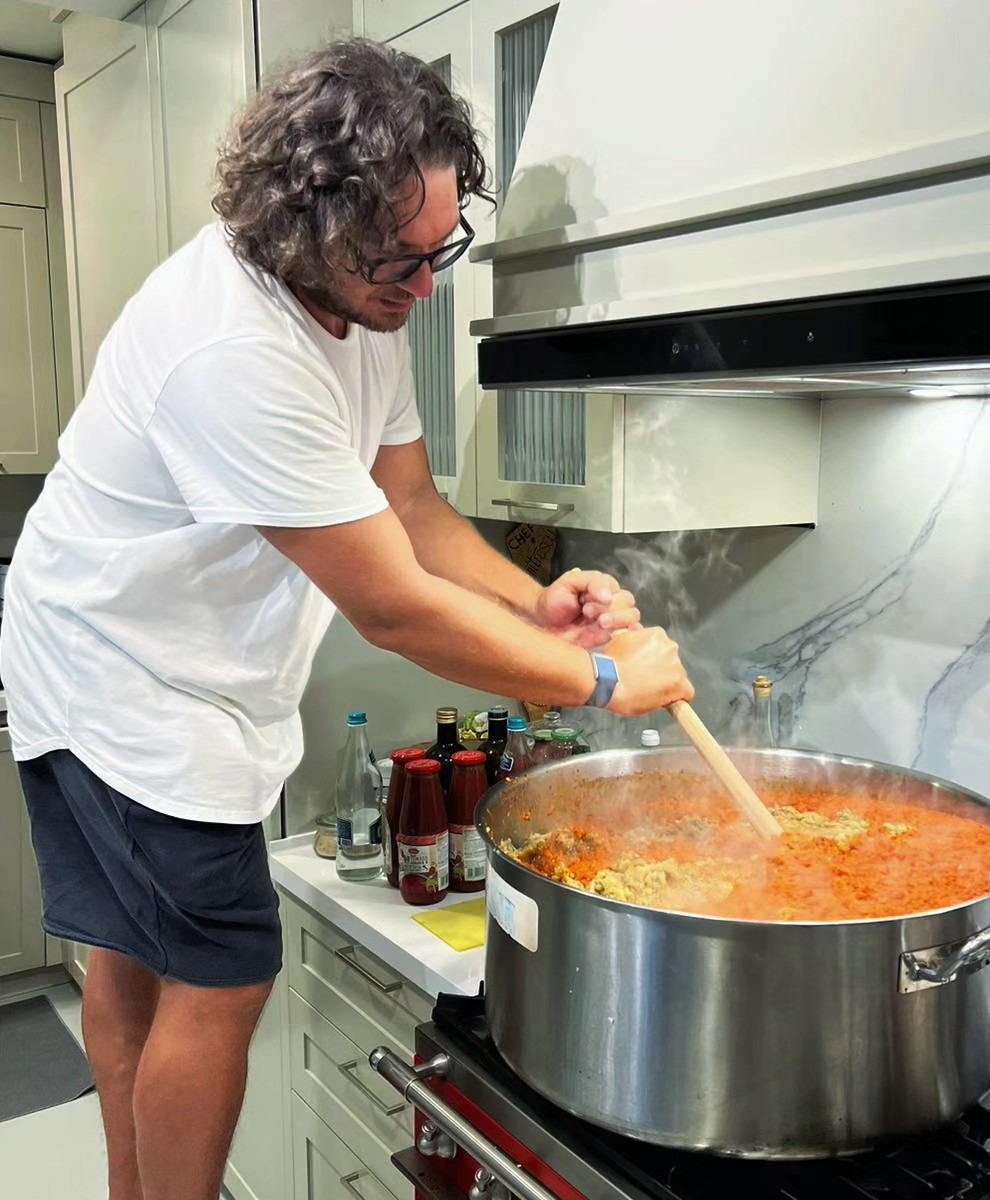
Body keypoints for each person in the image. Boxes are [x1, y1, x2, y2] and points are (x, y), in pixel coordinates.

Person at [0, 39, 693, 1200]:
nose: (422, 288)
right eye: (395, 260)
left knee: (134, 954)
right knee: (220, 974)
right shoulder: (234, 346)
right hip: (116, 675)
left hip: (147, 647)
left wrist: (533, 601)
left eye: (439, 251)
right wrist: (607, 682)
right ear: (301, 223)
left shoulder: (363, 304)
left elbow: (409, 505)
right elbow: (391, 607)